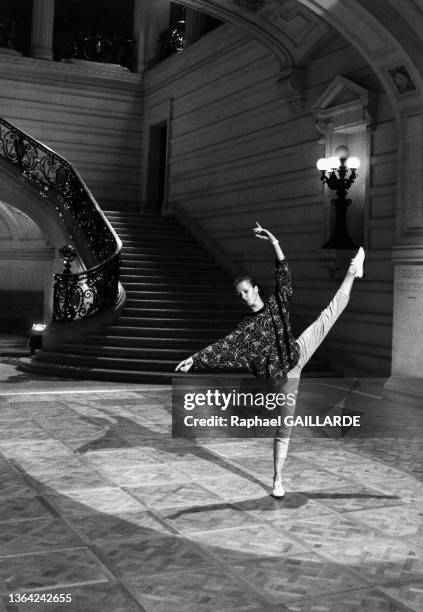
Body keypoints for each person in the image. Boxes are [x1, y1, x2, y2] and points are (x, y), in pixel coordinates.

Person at [175, 223, 365, 498]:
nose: (243, 297)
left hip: (297, 351)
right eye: (239, 294)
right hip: (283, 377)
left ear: (256, 289)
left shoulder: (277, 303)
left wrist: (274, 241)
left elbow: (284, 275)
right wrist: (195, 359)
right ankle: (278, 480)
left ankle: (352, 270)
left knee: (329, 315)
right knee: (283, 429)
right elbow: (224, 347)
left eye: (246, 290)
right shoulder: (245, 328)